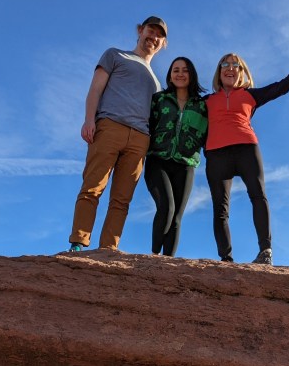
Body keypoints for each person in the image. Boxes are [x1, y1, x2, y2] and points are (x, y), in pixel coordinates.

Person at [204, 35, 289, 264]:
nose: (230, 68)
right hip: (216, 153)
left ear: (242, 72)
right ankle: (226, 259)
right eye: (225, 64)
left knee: (258, 196)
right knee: (220, 208)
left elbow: (284, 86)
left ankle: (265, 252)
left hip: (246, 148)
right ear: (219, 71)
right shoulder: (206, 102)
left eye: (236, 65)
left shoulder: (250, 95)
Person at [67, 16, 167, 252]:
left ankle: (108, 249)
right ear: (140, 31)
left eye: (159, 36)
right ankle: (78, 242)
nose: (153, 38)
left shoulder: (157, 83)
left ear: (163, 44)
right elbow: (95, 89)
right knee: (93, 187)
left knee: (122, 199)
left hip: (141, 138)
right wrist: (89, 120)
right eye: (150, 31)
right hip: (110, 126)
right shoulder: (115, 55)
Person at [143, 57, 208, 256]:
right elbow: (146, 126)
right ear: (170, 75)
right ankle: (154, 257)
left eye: (185, 70)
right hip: (158, 160)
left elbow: (209, 134)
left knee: (177, 217)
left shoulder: (202, 106)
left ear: (192, 74)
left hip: (185, 164)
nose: (180, 74)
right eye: (176, 70)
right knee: (166, 207)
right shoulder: (159, 99)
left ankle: (168, 263)